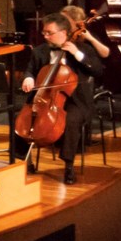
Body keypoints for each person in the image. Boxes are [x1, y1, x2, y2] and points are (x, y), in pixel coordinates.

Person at [17, 13, 102, 185]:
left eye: (50, 33)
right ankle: (26, 161)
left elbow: (98, 71)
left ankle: (68, 166)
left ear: (64, 32)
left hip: (76, 101)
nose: (45, 36)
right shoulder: (40, 50)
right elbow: (30, 70)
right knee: (20, 120)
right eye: (44, 33)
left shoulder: (82, 49)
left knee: (71, 120)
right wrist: (28, 78)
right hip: (45, 98)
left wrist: (77, 54)